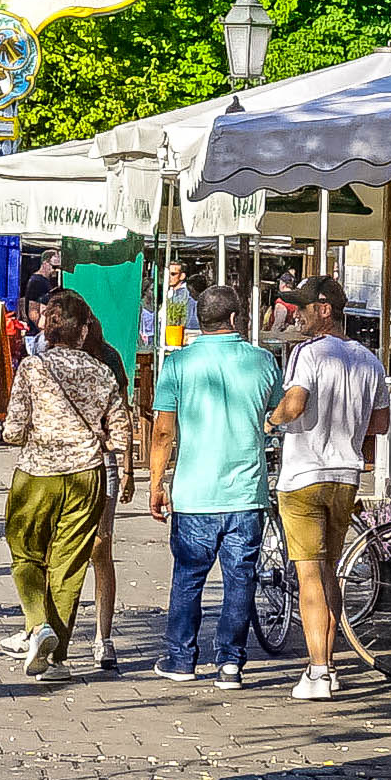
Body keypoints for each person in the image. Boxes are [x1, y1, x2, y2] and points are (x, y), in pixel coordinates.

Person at [0, 286, 133, 677]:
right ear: (84, 330)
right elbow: (121, 433)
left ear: (47, 330)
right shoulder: (102, 371)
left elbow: (13, 431)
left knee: (25, 552)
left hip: (37, 474)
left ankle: (38, 624)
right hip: (87, 475)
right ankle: (56, 657)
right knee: (68, 564)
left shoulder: (33, 368)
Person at [147, 289, 279, 686]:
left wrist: (156, 483)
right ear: (235, 319)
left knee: (188, 578)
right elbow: (278, 410)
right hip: (245, 491)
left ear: (198, 321)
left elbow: (163, 431)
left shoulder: (178, 363)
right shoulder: (263, 361)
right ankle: (230, 663)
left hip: (194, 491)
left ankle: (181, 659)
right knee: (240, 579)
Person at [271, 277, 388, 703]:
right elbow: (380, 424)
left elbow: (295, 404)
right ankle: (330, 665)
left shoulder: (309, 353)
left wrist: (271, 419)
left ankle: (317, 670)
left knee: (308, 574)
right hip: (345, 475)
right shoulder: (369, 359)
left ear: (324, 309)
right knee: (329, 572)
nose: (296, 315)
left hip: (305, 474)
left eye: (302, 308)